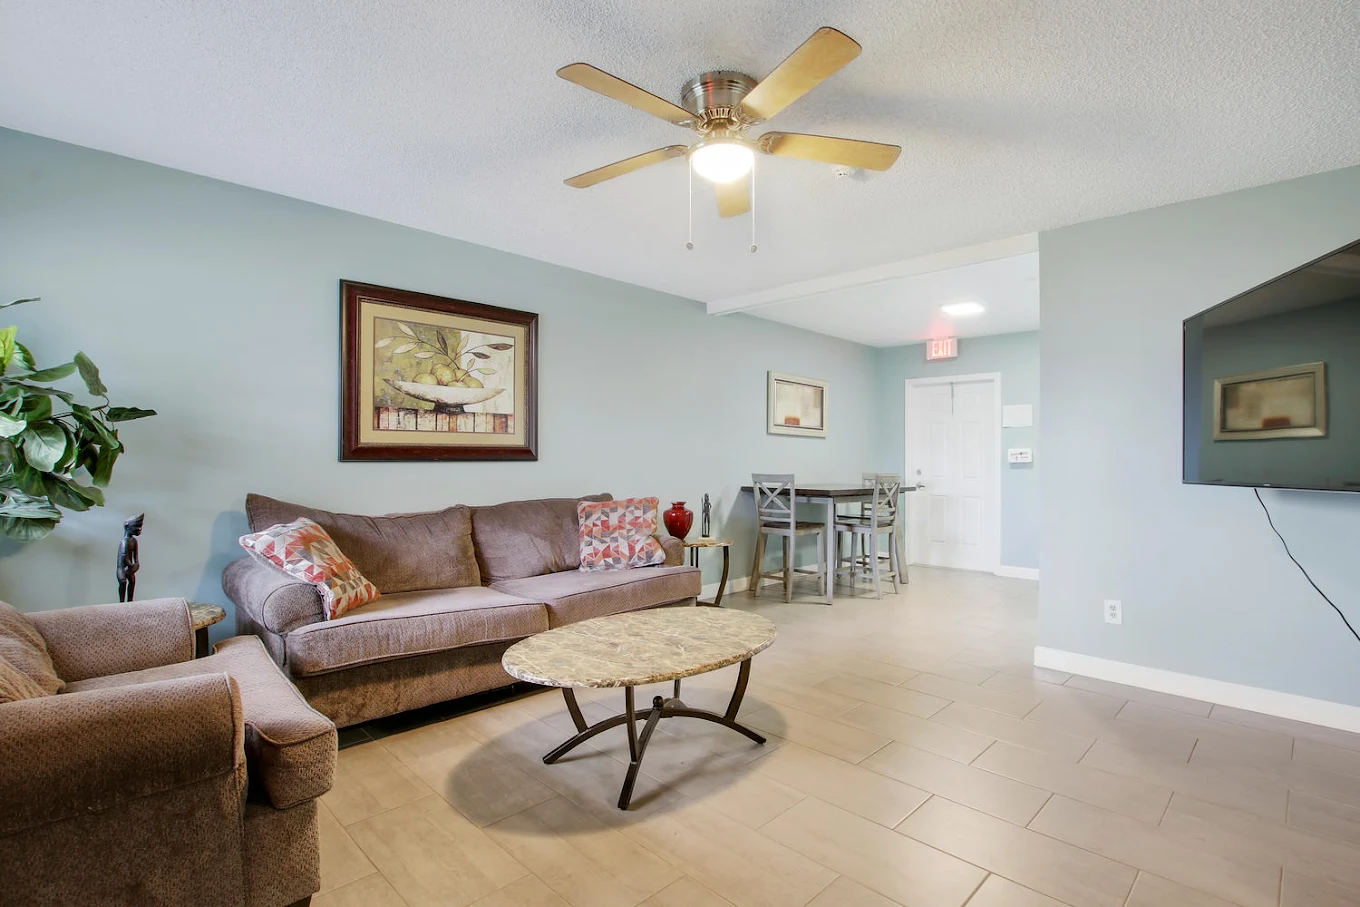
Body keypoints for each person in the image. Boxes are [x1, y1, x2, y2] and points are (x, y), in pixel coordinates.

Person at [117, 513, 144, 602]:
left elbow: (135, 556)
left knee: (132, 581)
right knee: (123, 582)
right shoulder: (124, 542)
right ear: (128, 527)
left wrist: (136, 564)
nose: (139, 529)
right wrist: (131, 565)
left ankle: (130, 601)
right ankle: (121, 602)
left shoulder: (134, 541)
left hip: (129, 568)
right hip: (122, 569)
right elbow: (124, 557)